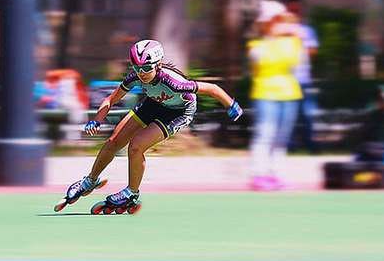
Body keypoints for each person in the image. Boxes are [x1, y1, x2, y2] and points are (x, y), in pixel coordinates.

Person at [54, 39, 243, 214]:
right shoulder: (134, 77)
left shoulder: (174, 83)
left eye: (146, 68)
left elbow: (212, 89)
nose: (141, 73)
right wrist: (96, 120)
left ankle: (131, 193)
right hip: (154, 103)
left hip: (178, 112)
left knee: (136, 146)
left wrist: (231, 105)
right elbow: (110, 99)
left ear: (158, 65)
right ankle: (90, 181)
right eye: (136, 68)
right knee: (113, 141)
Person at [247, 1, 304, 191]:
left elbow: (296, 61)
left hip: (290, 93)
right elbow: (261, 62)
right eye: (272, 20)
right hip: (265, 93)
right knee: (265, 134)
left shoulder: (293, 42)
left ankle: (276, 174)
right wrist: (272, 37)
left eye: (278, 19)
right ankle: (259, 174)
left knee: (282, 137)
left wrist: (293, 33)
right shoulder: (256, 45)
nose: (276, 23)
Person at [283, 0, 320, 153]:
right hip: (285, 80)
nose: (294, 13)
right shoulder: (279, 33)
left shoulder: (307, 30)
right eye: (291, 10)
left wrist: (298, 42)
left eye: (297, 10)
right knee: (288, 114)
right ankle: (289, 144)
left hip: (303, 79)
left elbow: (313, 51)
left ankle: (310, 143)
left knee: (308, 113)